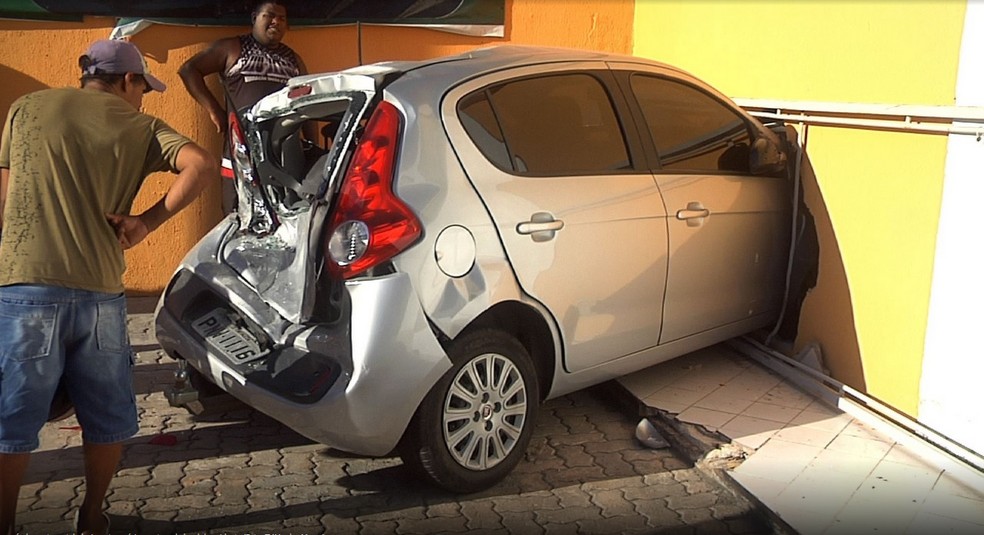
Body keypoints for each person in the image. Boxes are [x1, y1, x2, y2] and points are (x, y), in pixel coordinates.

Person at [0, 39, 217, 535]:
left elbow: (7, 194)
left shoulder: (26, 108)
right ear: (127, 81)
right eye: (144, 87)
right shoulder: (139, 126)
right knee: (106, 416)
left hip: (24, 286)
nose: (144, 99)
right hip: (98, 289)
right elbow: (201, 166)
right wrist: (145, 223)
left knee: (11, 419)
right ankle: (91, 518)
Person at [179, 1, 307, 213]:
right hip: (242, 155)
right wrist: (214, 110)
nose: (276, 22)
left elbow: (305, 101)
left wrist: (309, 142)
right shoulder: (233, 48)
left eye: (282, 18)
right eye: (270, 15)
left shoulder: (294, 59)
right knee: (238, 215)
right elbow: (189, 70)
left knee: (286, 218)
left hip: (283, 158)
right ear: (254, 18)